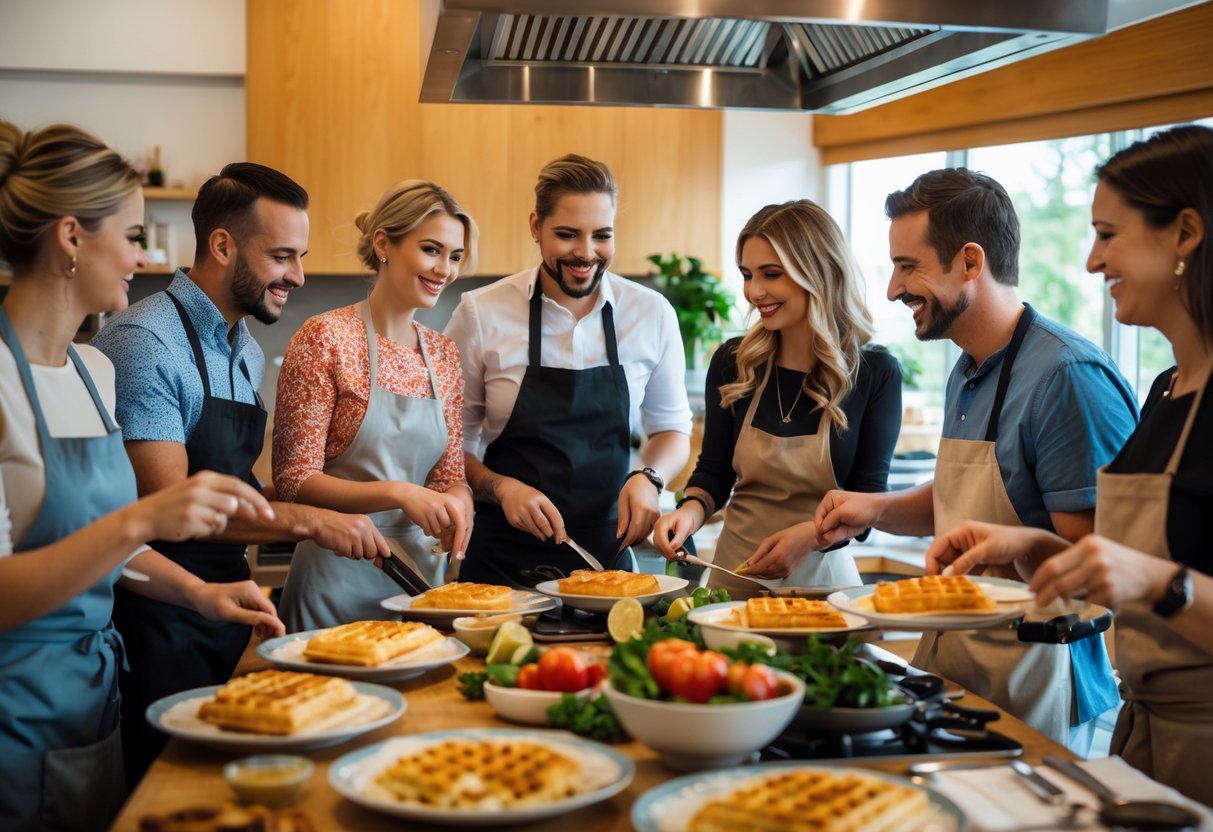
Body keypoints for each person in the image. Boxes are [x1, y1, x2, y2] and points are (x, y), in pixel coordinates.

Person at [0, 121, 283, 832]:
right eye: (131, 236)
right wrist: (143, 516)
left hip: (98, 695)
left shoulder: (94, 372)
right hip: (15, 705)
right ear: (71, 237)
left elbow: (109, 550)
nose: (141, 256)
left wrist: (201, 593)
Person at [926, 126, 1213, 801]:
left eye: (1108, 234)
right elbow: (1121, 568)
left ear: (1185, 233)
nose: (1090, 261)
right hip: (1147, 745)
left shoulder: (1071, 369)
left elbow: (1152, 577)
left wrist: (1158, 580)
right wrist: (1036, 547)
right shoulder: (1166, 390)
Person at [815, 168, 1138, 750]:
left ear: (970, 261)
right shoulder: (966, 369)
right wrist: (872, 509)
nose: (892, 289)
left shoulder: (1067, 378)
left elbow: (1102, 573)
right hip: (961, 669)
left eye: (907, 266)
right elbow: (957, 506)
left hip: (1042, 681)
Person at [91, 163, 388, 785]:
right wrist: (306, 520)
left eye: (300, 256)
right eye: (282, 256)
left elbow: (235, 484)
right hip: (160, 617)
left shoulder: (245, 347)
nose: (298, 276)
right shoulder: (146, 341)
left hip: (229, 602)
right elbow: (170, 501)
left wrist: (330, 500)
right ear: (223, 246)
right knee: (175, 794)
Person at [445, 154, 692, 585]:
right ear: (535, 227)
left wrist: (650, 478)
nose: (585, 252)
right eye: (566, 234)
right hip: (498, 564)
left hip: (606, 563)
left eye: (602, 235)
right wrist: (501, 488)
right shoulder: (481, 314)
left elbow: (672, 429)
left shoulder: (651, 314)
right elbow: (448, 445)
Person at [652, 200, 902, 598]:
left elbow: (867, 502)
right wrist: (689, 513)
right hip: (732, 582)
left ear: (817, 273)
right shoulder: (735, 362)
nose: (754, 292)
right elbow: (714, 472)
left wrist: (810, 537)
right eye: (748, 275)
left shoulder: (874, 372)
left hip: (826, 591)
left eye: (771, 274)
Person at [273, 180, 478, 631]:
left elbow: (448, 477)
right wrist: (399, 492)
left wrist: (460, 504)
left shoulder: (442, 354)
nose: (444, 269)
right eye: (431, 249)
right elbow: (293, 479)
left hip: (420, 585)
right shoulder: (325, 338)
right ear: (384, 243)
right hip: (333, 578)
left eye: (455, 256)